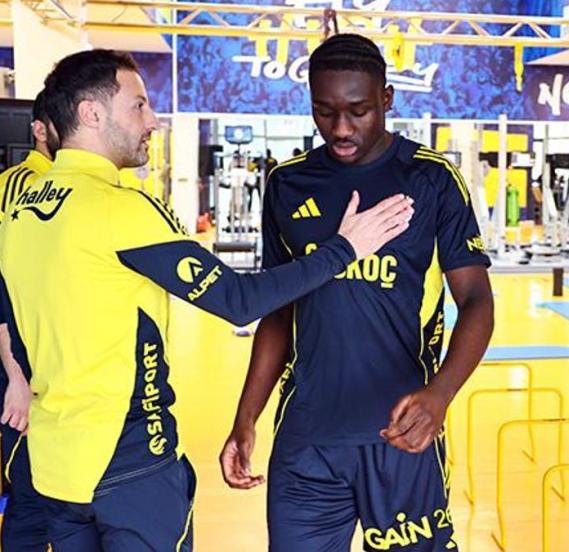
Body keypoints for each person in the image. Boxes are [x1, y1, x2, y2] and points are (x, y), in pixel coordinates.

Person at [0, 49, 413, 551]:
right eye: (139, 105)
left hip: (55, 465)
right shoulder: (118, 208)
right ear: (91, 113)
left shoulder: (17, 209)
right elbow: (238, 300)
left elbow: (10, 320)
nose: (152, 121)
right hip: (130, 462)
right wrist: (344, 249)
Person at [220, 34, 494, 551]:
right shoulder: (288, 184)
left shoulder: (432, 179)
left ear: (386, 99)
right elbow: (277, 312)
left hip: (401, 436)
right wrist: (246, 417)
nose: (341, 129)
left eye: (358, 111)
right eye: (324, 112)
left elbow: (477, 301)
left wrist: (441, 393)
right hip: (308, 441)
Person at [0, 89, 59, 551]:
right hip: (21, 361)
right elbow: (5, 283)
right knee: (31, 492)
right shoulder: (22, 186)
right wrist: (15, 373)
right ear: (39, 130)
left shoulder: (71, 184)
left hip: (53, 361)